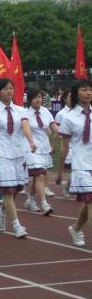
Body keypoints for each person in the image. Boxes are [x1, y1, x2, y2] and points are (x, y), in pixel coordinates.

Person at [0, 78, 37, 239]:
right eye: (6, 88)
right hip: (2, 154)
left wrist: (31, 141)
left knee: (17, 188)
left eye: (11, 88)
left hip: (18, 153)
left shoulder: (20, 110)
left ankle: (1, 212)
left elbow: (25, 126)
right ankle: (16, 225)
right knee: (8, 190)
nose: (9, 91)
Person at [57, 80, 92, 247]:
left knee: (89, 201)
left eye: (90, 90)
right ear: (76, 93)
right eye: (84, 90)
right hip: (81, 164)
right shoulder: (68, 117)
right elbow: (64, 148)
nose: (88, 93)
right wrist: (59, 172)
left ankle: (76, 228)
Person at [24, 89, 57, 215]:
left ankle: (30, 200)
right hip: (32, 149)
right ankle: (44, 204)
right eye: (35, 97)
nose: (38, 100)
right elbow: (25, 129)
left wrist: (64, 132)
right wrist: (31, 142)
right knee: (40, 176)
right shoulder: (25, 114)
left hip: (44, 148)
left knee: (38, 176)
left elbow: (53, 126)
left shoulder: (45, 111)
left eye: (40, 97)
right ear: (30, 99)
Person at [54, 89, 73, 198]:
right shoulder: (61, 114)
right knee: (75, 168)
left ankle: (69, 184)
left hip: (80, 145)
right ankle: (69, 185)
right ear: (65, 99)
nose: (72, 98)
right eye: (70, 96)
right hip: (67, 144)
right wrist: (53, 145)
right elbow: (57, 132)